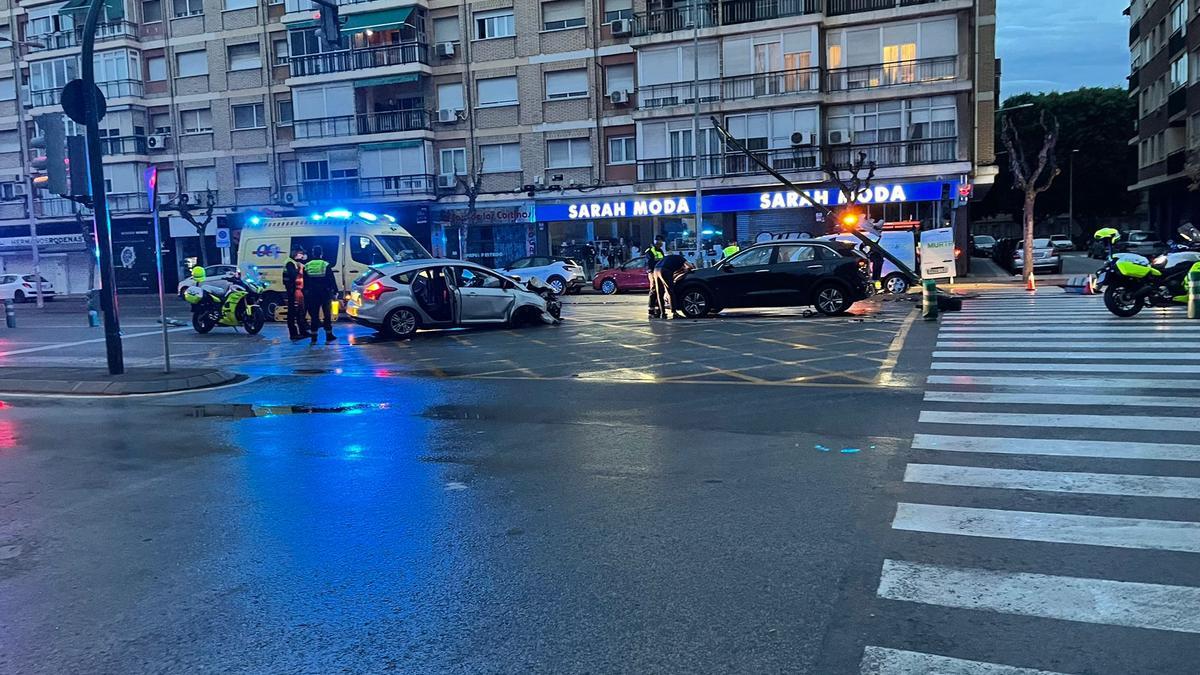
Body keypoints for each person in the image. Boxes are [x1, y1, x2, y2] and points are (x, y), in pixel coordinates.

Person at [303, 245, 338, 343]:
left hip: (312, 294)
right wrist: (335, 290)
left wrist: (306, 293)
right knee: (327, 315)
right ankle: (329, 335)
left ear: (313, 253)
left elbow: (305, 282)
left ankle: (314, 337)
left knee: (314, 316)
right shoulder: (325, 265)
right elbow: (331, 279)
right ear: (321, 253)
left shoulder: (307, 265)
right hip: (324, 294)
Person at [654, 252, 693, 319]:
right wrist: (687, 270)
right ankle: (674, 313)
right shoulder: (681, 258)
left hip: (656, 270)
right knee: (670, 291)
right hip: (665, 270)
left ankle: (662, 313)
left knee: (659, 292)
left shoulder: (668, 258)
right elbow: (690, 266)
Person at [283, 247, 309, 341]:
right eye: (300, 253)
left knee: (300, 312)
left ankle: (303, 331)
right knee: (293, 313)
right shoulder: (290, 263)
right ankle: (293, 334)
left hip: (297, 290)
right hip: (292, 291)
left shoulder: (293, 262)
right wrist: (299, 269)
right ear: (295, 253)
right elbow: (293, 275)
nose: (301, 255)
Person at [644, 236, 666, 318]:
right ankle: (651, 311)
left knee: (660, 290)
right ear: (656, 242)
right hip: (653, 272)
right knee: (653, 290)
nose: (660, 244)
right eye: (659, 242)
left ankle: (658, 310)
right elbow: (649, 263)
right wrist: (652, 273)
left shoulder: (660, 251)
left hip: (660, 272)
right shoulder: (650, 251)